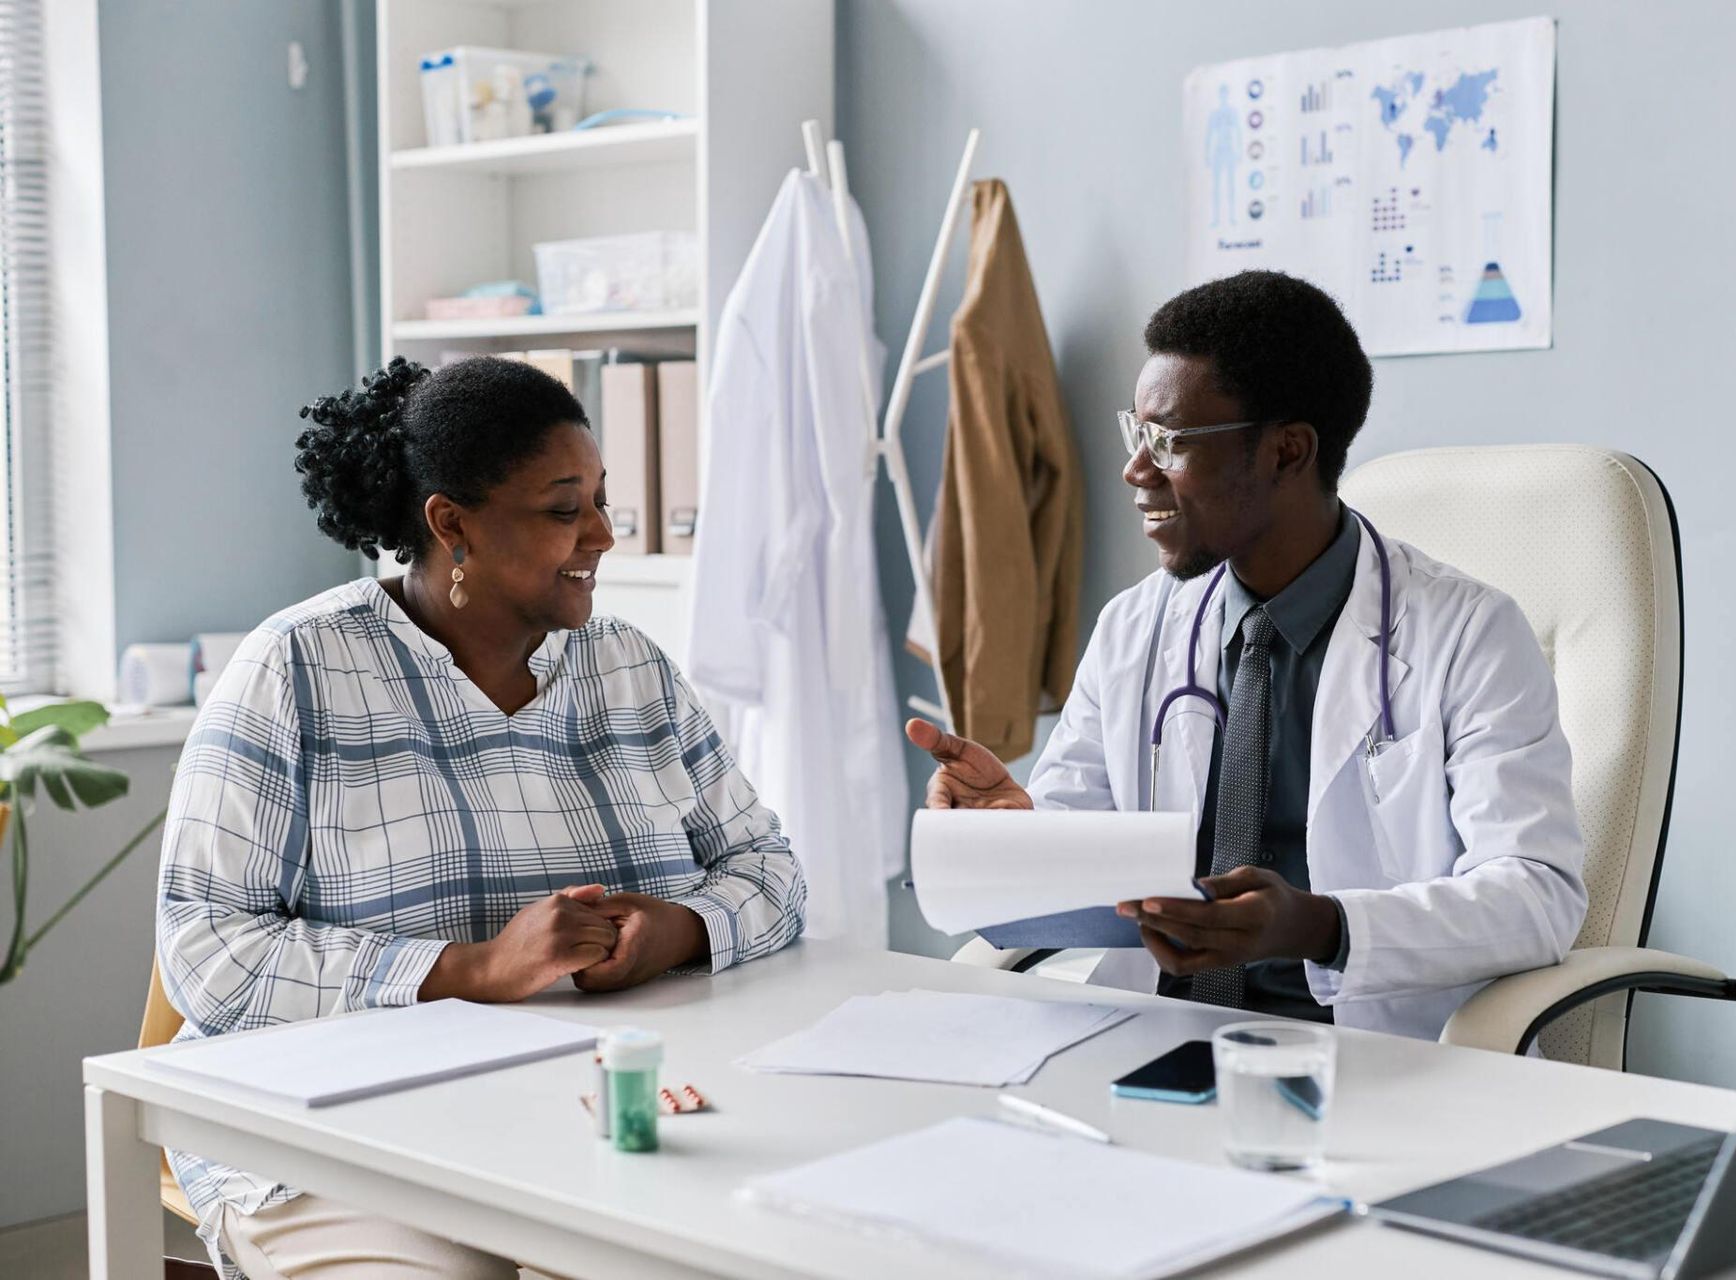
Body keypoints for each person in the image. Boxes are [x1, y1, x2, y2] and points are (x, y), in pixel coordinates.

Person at [157, 356, 807, 1280]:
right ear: (450, 524)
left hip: (579, 1112)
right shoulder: (297, 669)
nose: (602, 536)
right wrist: (467, 971)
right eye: (562, 509)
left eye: (601, 501)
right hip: (332, 1144)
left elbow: (768, 866)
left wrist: (682, 927)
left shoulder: (630, 669)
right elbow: (206, 950)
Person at [908, 270, 1585, 1042]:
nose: (1136, 471)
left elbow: (1538, 895)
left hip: (1367, 1053)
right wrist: (1019, 829)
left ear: (1287, 452)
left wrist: (1319, 926)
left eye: (1170, 444)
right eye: (1139, 433)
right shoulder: (1135, 627)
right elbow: (1088, 846)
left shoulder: (1469, 635)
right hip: (1156, 1036)